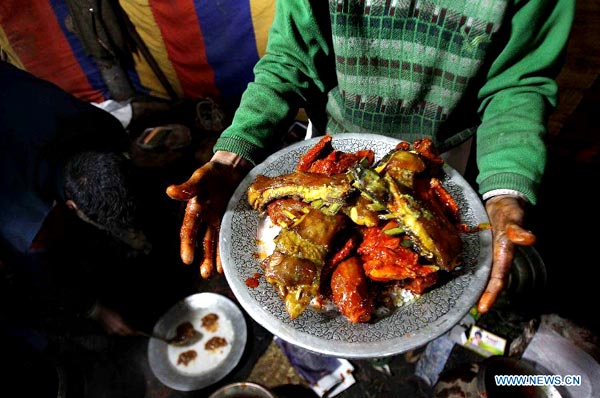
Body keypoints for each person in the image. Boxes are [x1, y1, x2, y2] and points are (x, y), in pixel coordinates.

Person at [166, 1, 574, 314]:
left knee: (438, 281)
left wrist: (505, 188)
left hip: (439, 160)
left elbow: (519, 82)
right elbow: (290, 57)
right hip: (333, 142)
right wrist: (232, 158)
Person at [0, 61, 149, 336]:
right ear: (71, 206)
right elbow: (45, 275)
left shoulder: (101, 125)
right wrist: (97, 311)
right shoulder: (29, 216)